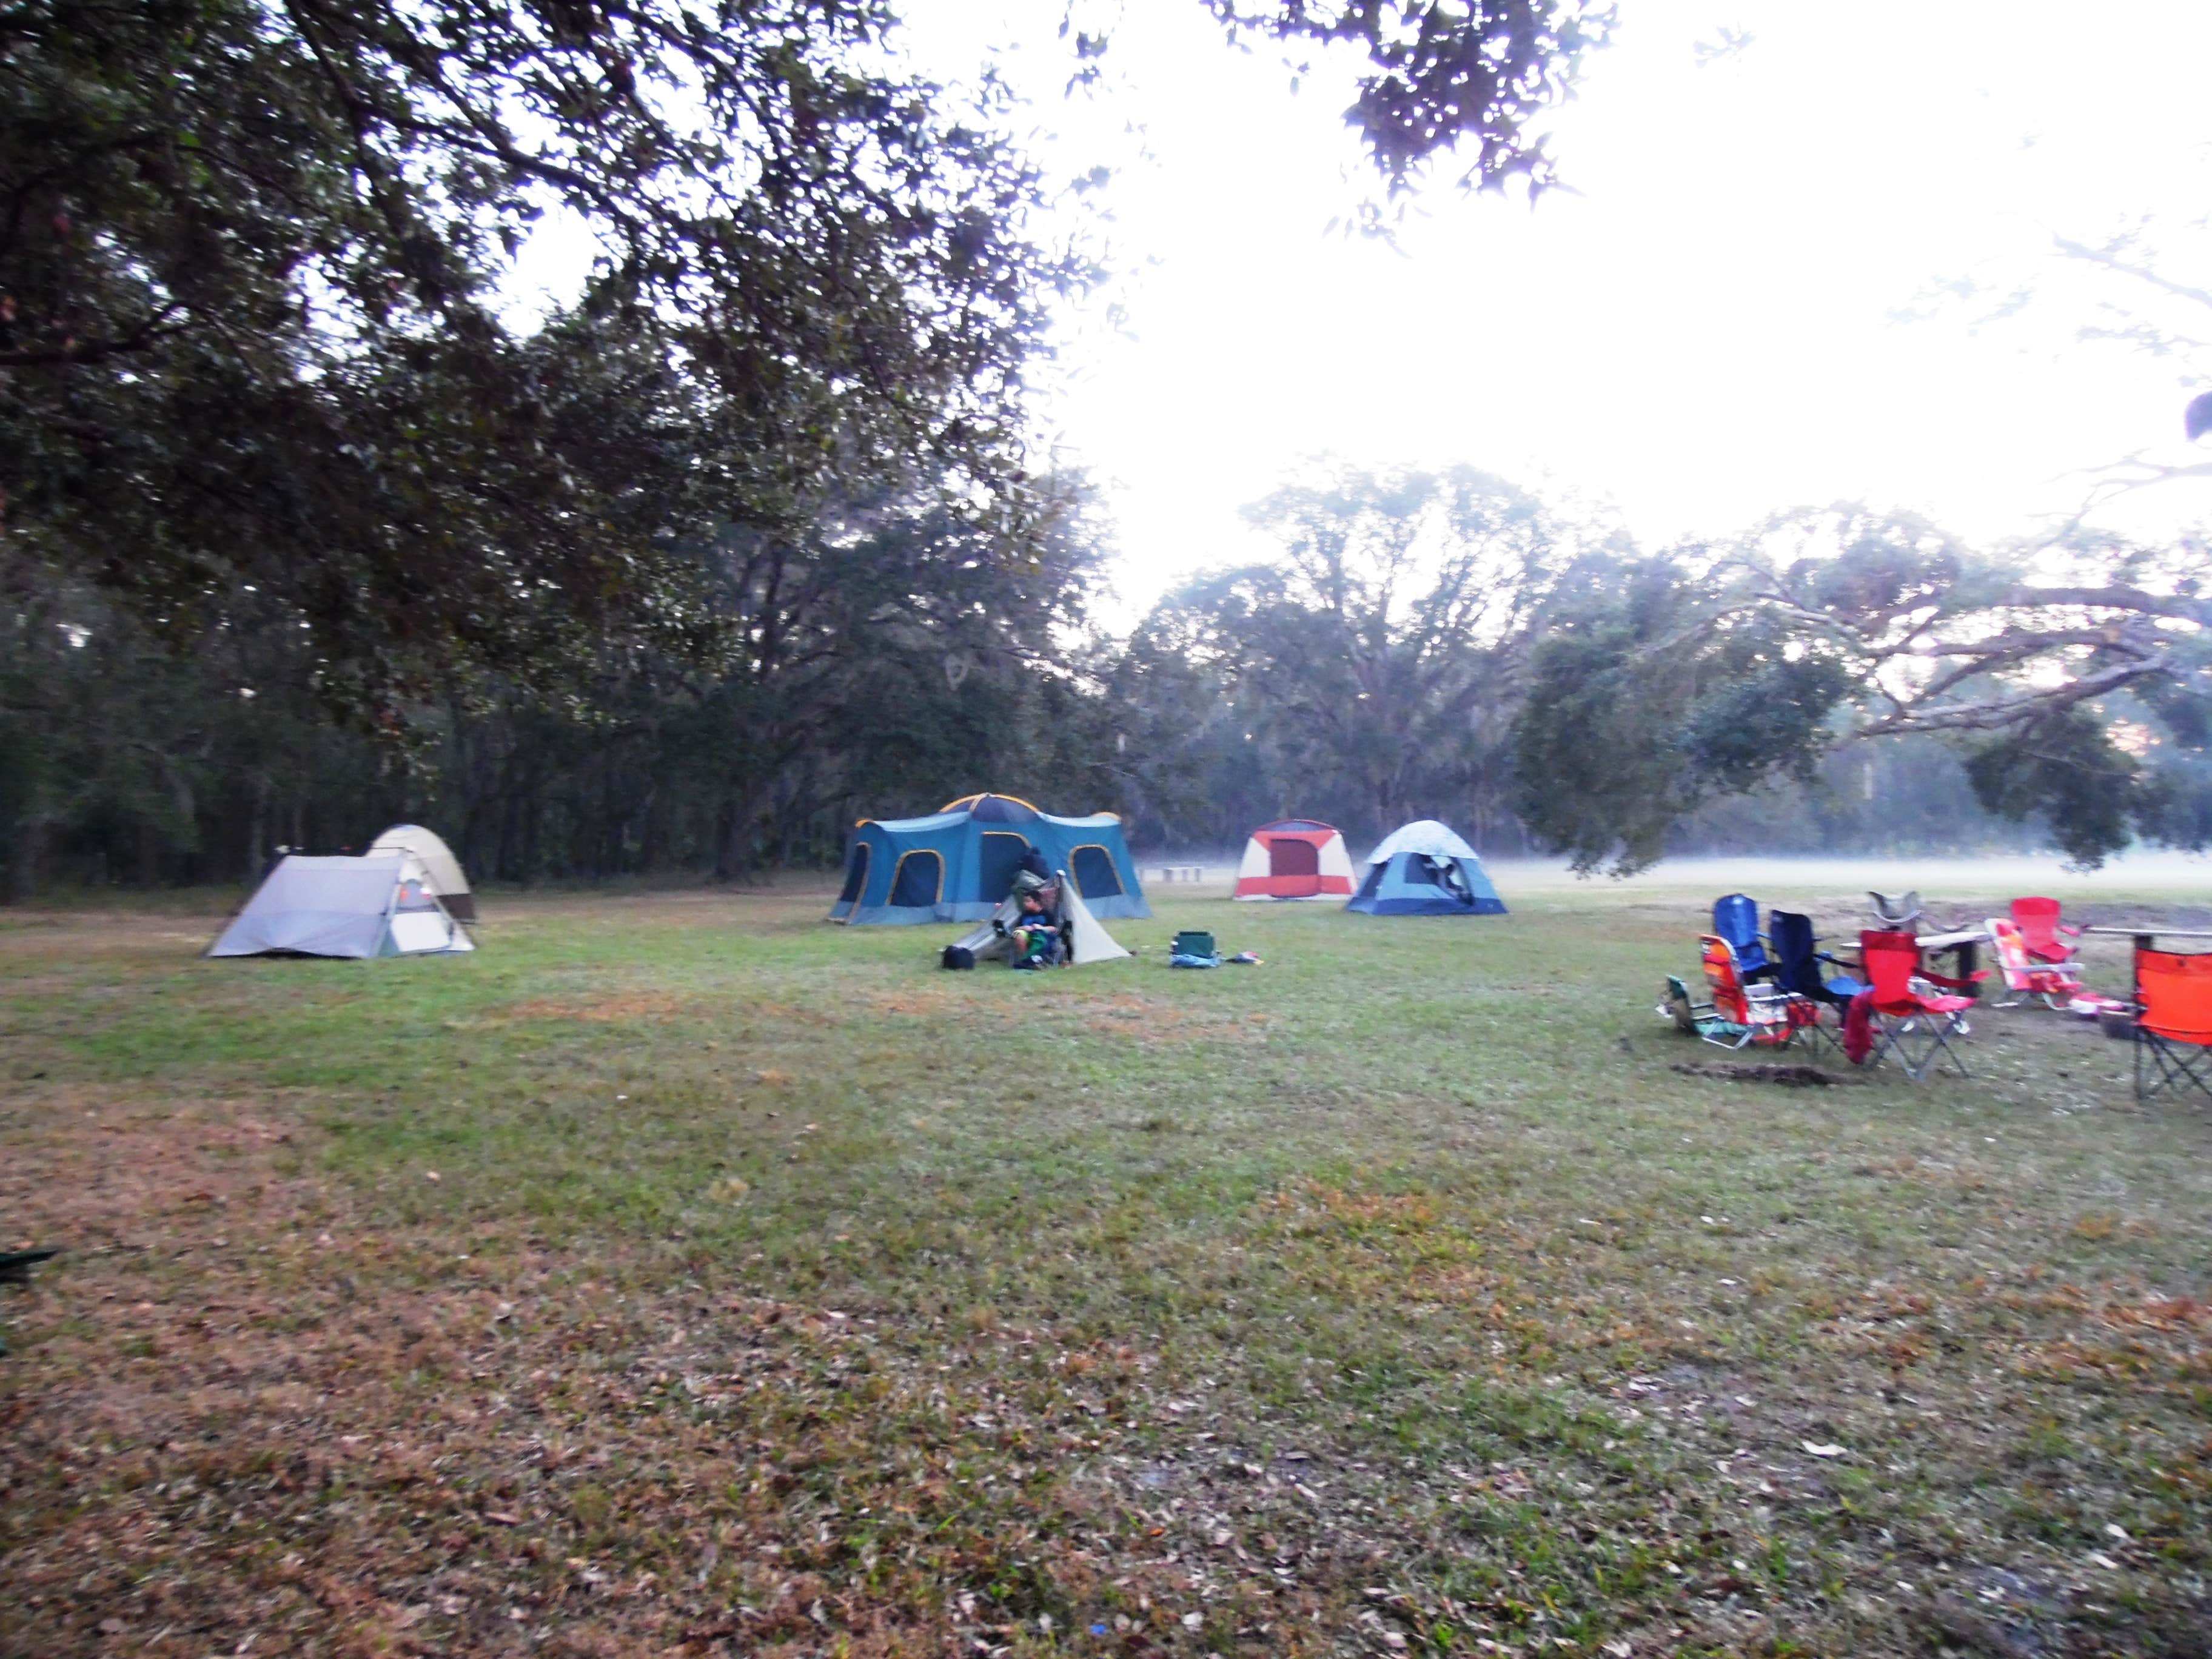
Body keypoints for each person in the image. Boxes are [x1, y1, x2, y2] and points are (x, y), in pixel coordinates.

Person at [1009, 890, 1060, 969]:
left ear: (1037, 902)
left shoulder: (1046, 914)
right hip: (1028, 935)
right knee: (1019, 935)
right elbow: (1016, 928)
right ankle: (1027, 961)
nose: (1025, 904)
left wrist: (1041, 928)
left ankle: (1027, 962)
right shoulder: (1025, 914)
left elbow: (1054, 929)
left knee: (1039, 939)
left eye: (1028, 901)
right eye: (1025, 901)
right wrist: (1024, 928)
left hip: (1042, 935)